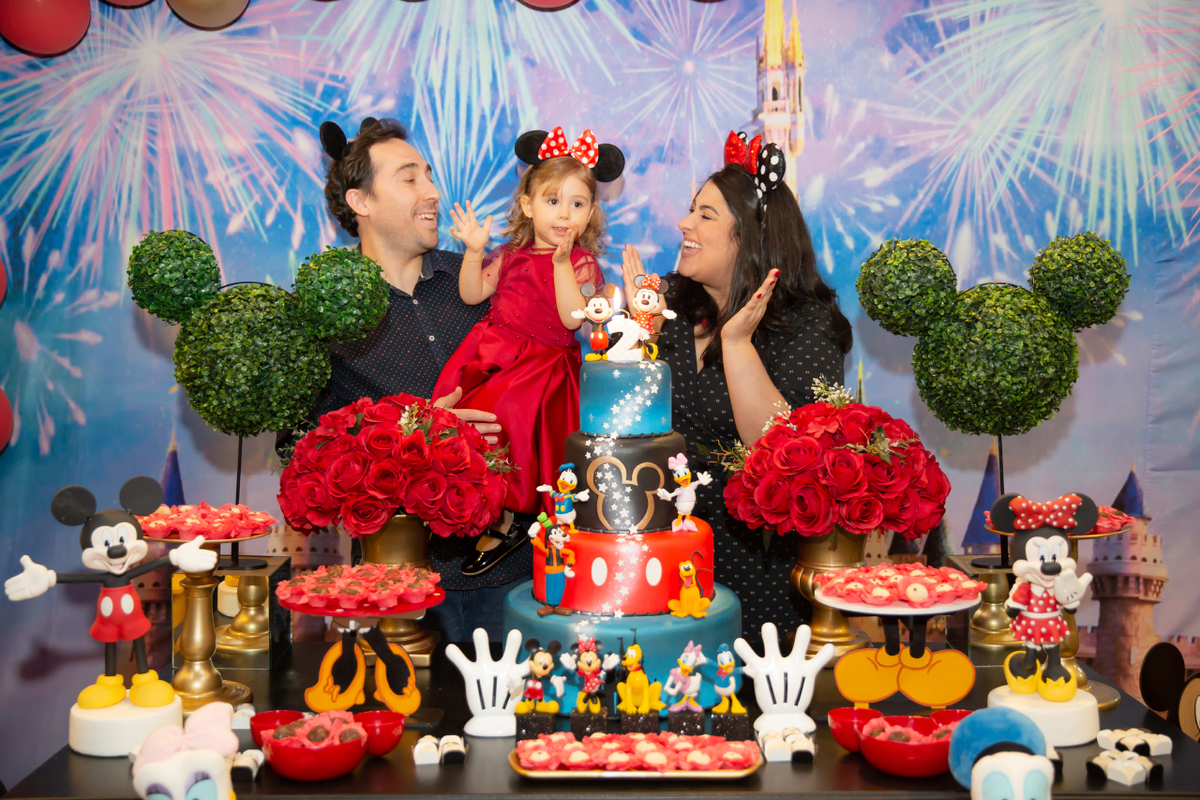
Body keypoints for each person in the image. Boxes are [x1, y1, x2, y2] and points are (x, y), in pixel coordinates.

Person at [622, 132, 853, 646]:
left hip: (760, 567)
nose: (684, 224)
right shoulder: (666, 308)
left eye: (705, 215)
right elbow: (625, 429)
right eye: (691, 210)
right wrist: (638, 341)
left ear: (751, 237)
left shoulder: (808, 328)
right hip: (665, 558)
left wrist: (737, 343)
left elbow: (782, 453)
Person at [299, 117, 522, 642]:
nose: (432, 192)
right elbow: (304, 448)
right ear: (361, 201)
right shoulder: (324, 312)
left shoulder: (480, 280)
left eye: (429, 175)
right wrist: (417, 430)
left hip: (512, 574)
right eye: (409, 178)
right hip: (395, 588)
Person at [431, 127, 625, 576]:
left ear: (591, 213)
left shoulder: (581, 263)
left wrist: (560, 265)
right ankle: (488, 509)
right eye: (553, 201)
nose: (564, 213)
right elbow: (472, 294)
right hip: (494, 355)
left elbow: (573, 317)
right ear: (528, 205)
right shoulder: (510, 253)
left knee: (515, 422)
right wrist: (474, 252)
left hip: (543, 368)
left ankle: (517, 519)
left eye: (577, 204)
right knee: (474, 423)